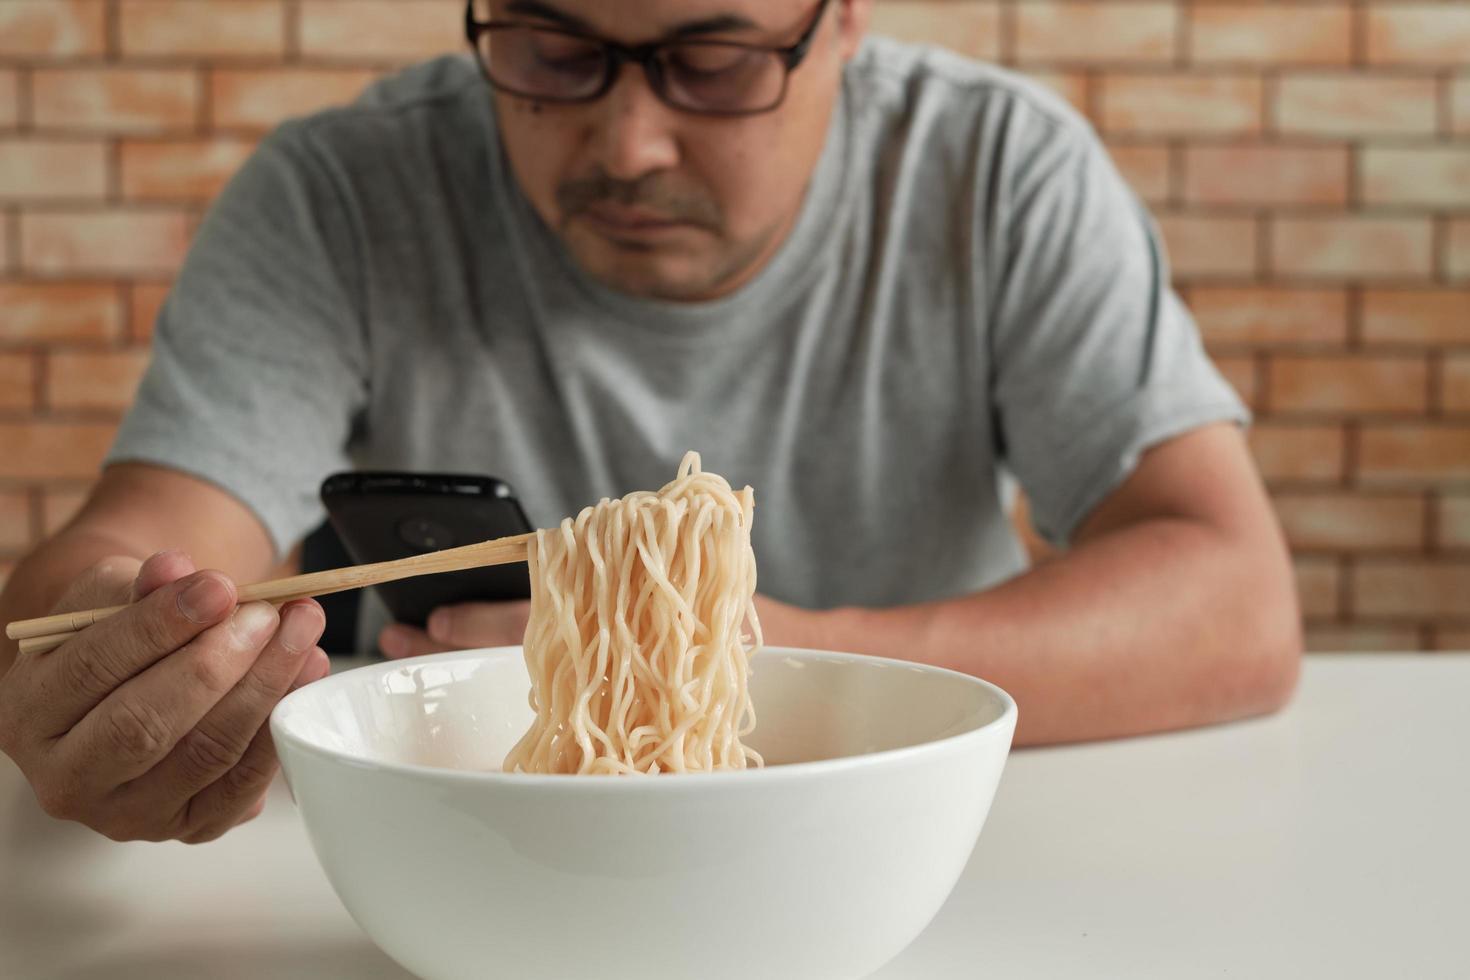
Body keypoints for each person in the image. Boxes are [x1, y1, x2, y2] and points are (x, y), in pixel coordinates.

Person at [0, 0, 1300, 844]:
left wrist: (769, 650)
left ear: (840, 21)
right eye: (552, 54)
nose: (625, 142)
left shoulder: (995, 171)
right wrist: (110, 654)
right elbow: (139, 542)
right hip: (476, 862)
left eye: (711, 62)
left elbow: (1228, 599)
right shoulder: (341, 191)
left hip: (895, 849)